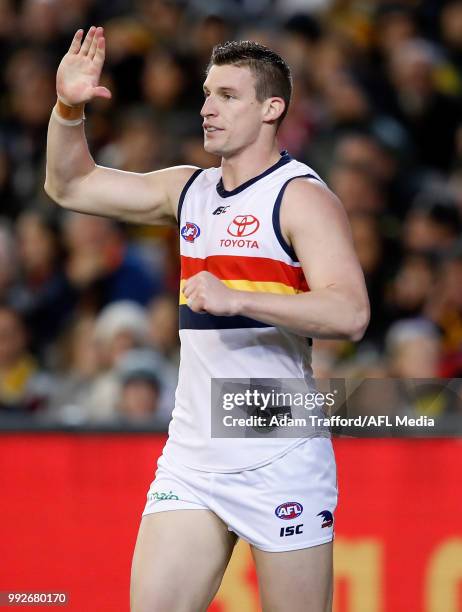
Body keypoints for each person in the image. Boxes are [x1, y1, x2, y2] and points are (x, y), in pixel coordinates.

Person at [45, 26, 370, 612]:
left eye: (226, 95)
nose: (206, 108)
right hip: (193, 456)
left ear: (272, 108)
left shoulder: (300, 197)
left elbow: (350, 313)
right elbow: (69, 185)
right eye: (205, 94)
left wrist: (241, 298)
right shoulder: (188, 190)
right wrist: (69, 107)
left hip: (280, 455)